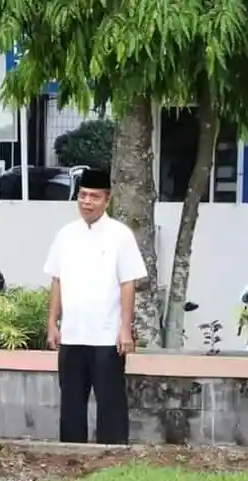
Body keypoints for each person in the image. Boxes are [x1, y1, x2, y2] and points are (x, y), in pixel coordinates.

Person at [44, 168, 147, 444]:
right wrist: (52, 322)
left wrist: (125, 329)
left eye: (94, 197)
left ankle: (112, 458)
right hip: (73, 334)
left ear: (107, 199)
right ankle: (72, 458)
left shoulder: (120, 235)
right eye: (83, 195)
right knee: (71, 404)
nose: (87, 202)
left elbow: (128, 284)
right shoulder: (66, 235)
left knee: (110, 402)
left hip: (106, 335)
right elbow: (57, 279)